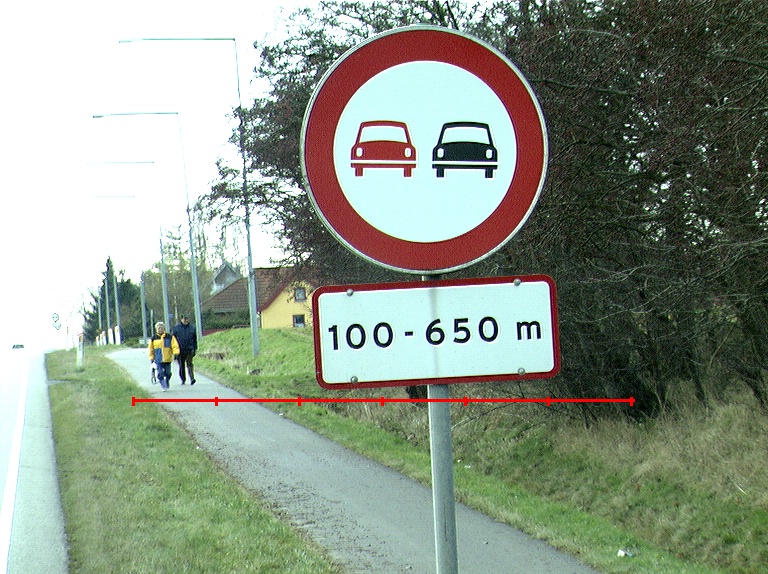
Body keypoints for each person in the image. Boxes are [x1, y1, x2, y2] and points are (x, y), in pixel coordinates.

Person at [147, 322, 180, 392]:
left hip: (167, 358)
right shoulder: (153, 338)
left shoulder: (170, 337)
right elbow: (151, 349)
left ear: (164, 328)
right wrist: (151, 358)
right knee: (160, 373)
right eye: (158, 328)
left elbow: (175, 345)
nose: (160, 329)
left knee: (168, 373)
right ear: (156, 329)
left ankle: (167, 381)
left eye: (161, 328)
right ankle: (163, 384)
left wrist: (176, 353)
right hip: (158, 359)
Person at [172, 314, 198, 385]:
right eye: (184, 319)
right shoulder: (176, 328)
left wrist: (195, 348)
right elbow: (173, 340)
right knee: (181, 365)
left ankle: (192, 378)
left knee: (190, 364)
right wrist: (174, 351)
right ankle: (183, 379)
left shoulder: (192, 328)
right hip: (179, 350)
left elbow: (195, 339)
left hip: (189, 349)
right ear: (181, 319)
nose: (186, 320)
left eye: (187, 319)